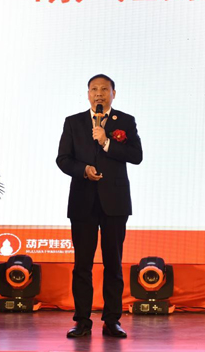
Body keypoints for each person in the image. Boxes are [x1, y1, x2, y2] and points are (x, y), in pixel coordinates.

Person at [57, 74, 142, 338]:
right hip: (82, 201)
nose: (99, 94)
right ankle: (82, 321)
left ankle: (112, 320)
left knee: (113, 263)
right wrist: (83, 170)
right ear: (88, 94)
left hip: (115, 202)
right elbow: (63, 159)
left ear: (113, 94)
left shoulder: (125, 121)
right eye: (94, 89)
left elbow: (136, 156)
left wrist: (107, 142)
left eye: (104, 89)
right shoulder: (73, 122)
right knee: (82, 264)